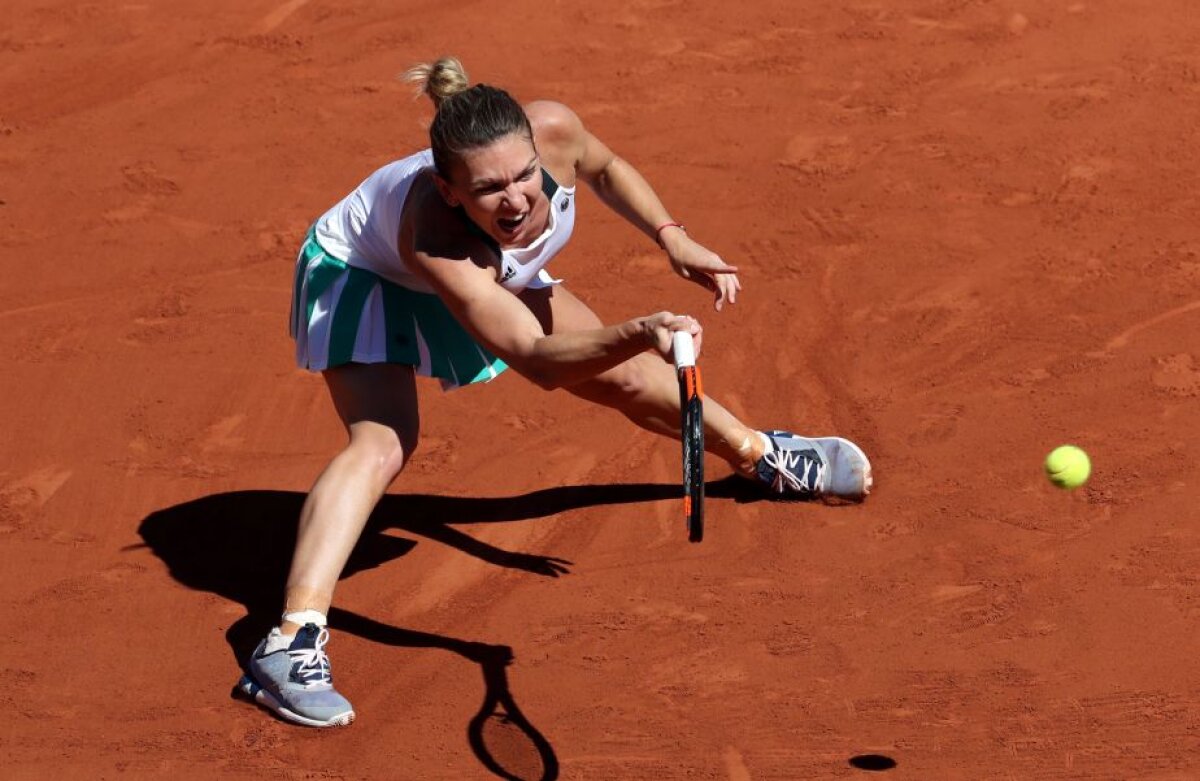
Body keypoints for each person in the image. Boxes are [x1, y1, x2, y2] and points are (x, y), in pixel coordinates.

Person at [236, 57, 873, 728]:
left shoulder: (557, 129)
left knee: (627, 377)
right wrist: (640, 328)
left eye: (523, 175)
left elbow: (605, 168)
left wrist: (670, 235)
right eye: (488, 189)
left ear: (539, 149)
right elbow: (539, 363)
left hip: (478, 274)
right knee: (383, 442)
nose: (515, 200)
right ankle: (290, 640)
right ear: (451, 194)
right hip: (363, 273)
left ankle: (760, 455)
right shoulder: (440, 238)